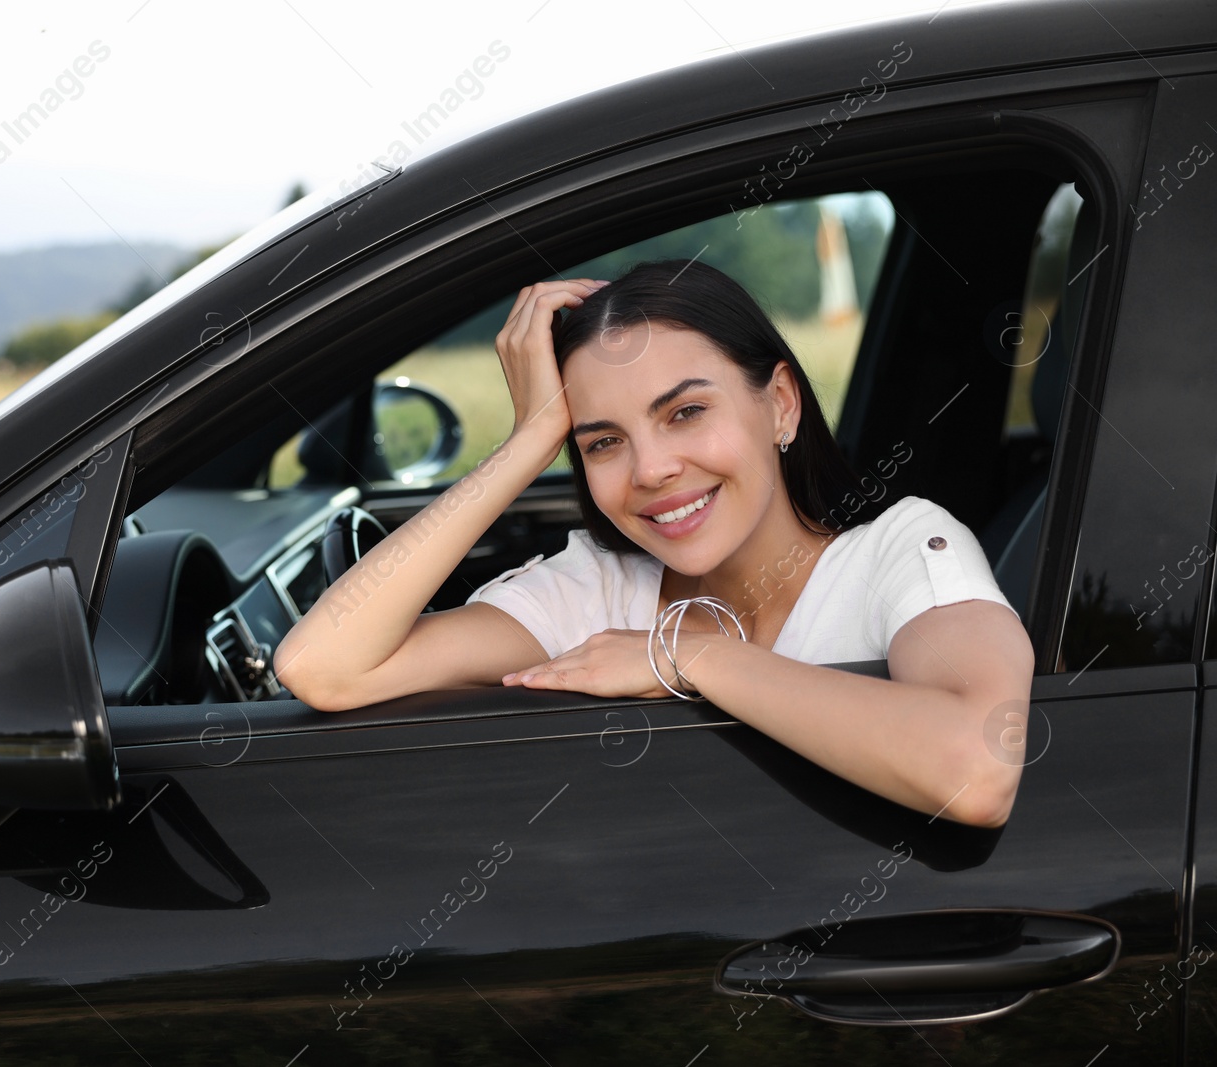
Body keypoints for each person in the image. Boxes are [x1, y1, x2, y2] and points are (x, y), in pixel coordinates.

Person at [275, 260, 1033, 827]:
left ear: (779, 404)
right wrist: (531, 438)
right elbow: (324, 668)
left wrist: (686, 655)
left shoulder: (905, 551)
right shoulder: (596, 589)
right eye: (602, 441)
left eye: (684, 412)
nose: (652, 470)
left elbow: (979, 766)